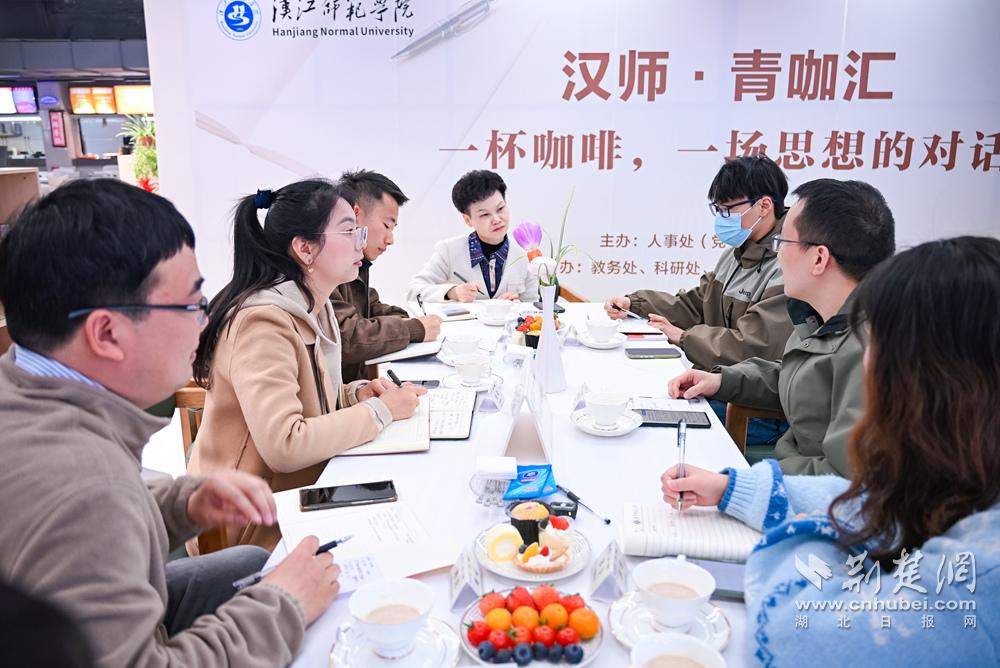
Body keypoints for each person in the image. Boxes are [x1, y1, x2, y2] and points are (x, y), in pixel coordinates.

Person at [0, 179, 340, 667]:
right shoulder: (83, 486)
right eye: (190, 305)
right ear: (106, 332)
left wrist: (184, 503)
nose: (203, 322)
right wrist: (282, 606)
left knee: (253, 563)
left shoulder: (24, 386)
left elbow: (97, 530)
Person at [660, 236, 1000, 666]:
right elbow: (875, 505)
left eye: (881, 350)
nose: (870, 366)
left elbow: (795, 632)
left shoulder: (981, 566)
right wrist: (737, 489)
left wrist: (804, 530)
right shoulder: (965, 477)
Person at [190, 179, 424, 550]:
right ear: (305, 248)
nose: (360, 242)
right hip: (250, 527)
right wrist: (382, 411)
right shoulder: (262, 322)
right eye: (348, 231)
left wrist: (356, 394)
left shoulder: (317, 305)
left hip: (302, 492)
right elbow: (286, 443)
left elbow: (310, 399)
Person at [668, 179, 896, 476]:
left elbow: (844, 481)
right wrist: (723, 381)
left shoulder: (871, 351)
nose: (778, 255)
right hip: (785, 476)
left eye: (783, 243)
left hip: (800, 490)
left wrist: (745, 484)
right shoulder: (818, 318)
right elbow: (797, 377)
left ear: (819, 258)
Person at [606, 156, 794, 447]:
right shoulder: (736, 254)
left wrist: (684, 337)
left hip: (757, 408)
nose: (722, 218)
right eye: (718, 209)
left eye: (728, 209)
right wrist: (636, 303)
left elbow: (753, 345)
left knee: (650, 420)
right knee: (638, 399)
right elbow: (696, 304)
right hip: (723, 386)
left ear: (764, 206)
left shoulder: (788, 263)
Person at [332, 170, 441, 382]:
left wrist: (407, 321)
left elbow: (372, 308)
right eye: (386, 226)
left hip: (354, 389)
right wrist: (414, 329)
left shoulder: (358, 264)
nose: (390, 239)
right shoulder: (328, 265)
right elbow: (347, 337)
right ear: (355, 214)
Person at [407, 169, 539, 302]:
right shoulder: (449, 251)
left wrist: (516, 306)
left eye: (500, 209)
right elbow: (413, 291)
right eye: (485, 214)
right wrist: (452, 292)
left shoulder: (523, 254)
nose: (496, 219)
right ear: (468, 220)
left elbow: (533, 303)